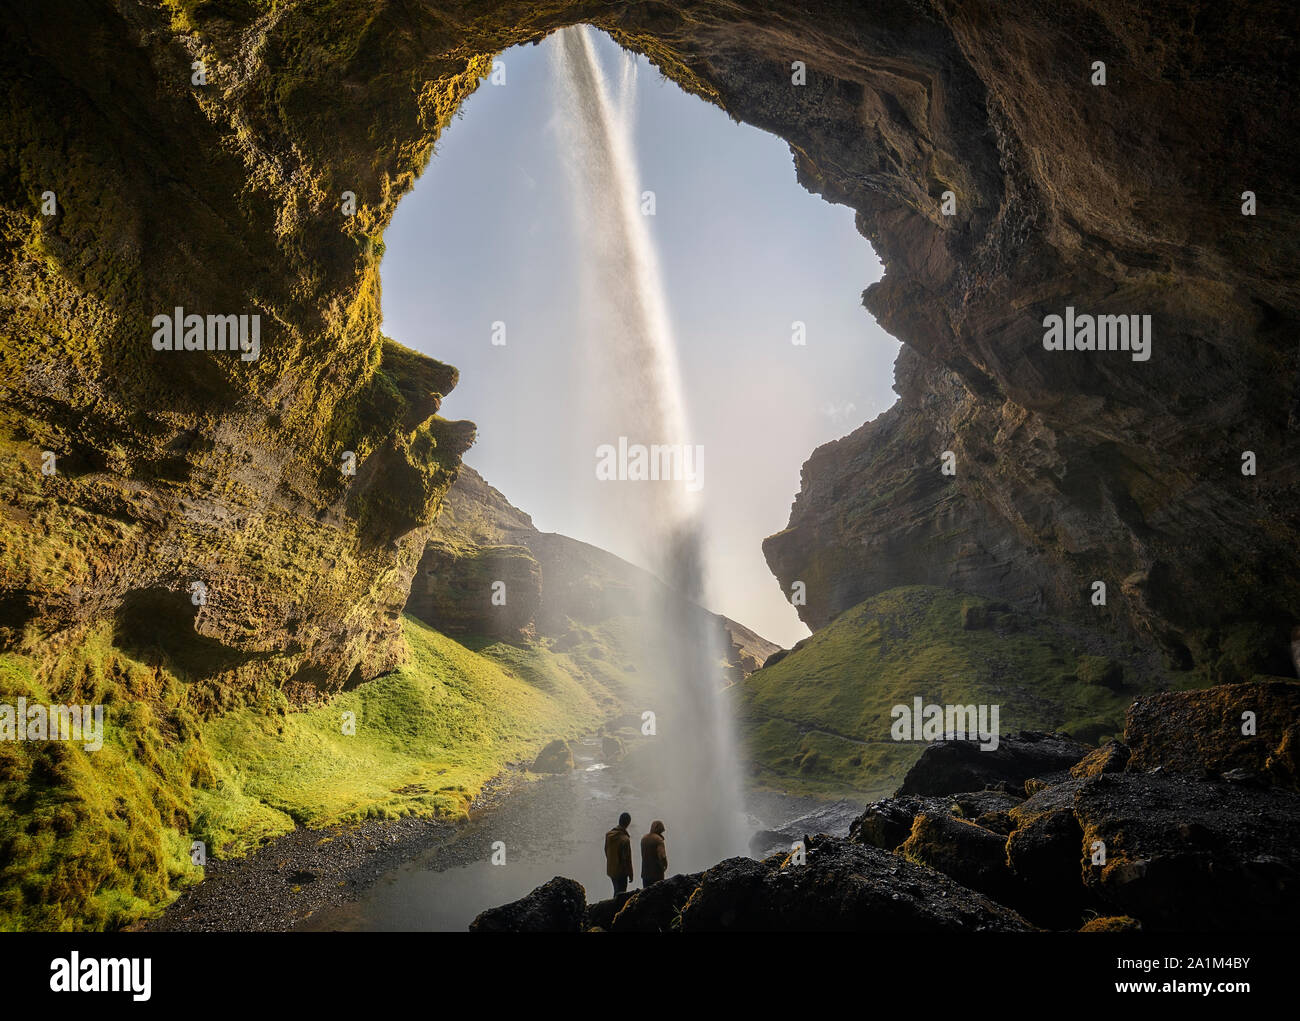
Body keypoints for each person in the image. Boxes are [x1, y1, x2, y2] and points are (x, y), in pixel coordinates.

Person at [604, 811, 634, 895]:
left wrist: (611, 861)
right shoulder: (625, 839)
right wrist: (630, 873)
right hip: (621, 872)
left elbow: (606, 850)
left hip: (611, 870)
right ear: (628, 823)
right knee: (621, 893)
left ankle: (614, 906)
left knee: (616, 891)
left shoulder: (609, 835)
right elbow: (627, 859)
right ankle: (617, 908)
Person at [640, 820, 667, 888]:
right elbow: (662, 856)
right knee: (657, 894)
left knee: (646, 893)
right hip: (656, 874)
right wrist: (665, 865)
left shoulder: (644, 838)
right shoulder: (658, 840)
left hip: (645, 873)